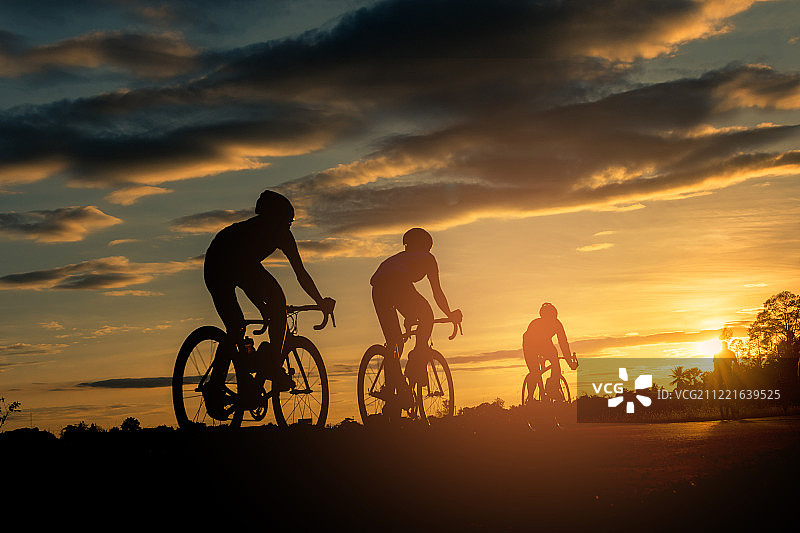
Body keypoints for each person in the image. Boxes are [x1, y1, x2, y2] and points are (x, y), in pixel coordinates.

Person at [203, 189, 335, 416]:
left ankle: (259, 369)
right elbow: (243, 273)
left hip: (236, 264)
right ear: (269, 219)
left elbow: (300, 273)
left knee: (262, 310)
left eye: (289, 224)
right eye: (286, 222)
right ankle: (218, 385)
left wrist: (319, 300)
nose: (287, 228)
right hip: (219, 264)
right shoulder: (253, 233)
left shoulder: (277, 233)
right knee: (238, 324)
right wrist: (263, 306)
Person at [370, 228, 462, 407]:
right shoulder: (428, 258)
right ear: (427, 246)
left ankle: (392, 390)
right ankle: (416, 359)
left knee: (395, 342)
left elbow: (402, 296)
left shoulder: (398, 258)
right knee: (427, 315)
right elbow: (437, 292)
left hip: (379, 290)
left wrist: (410, 315)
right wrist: (450, 314)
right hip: (398, 285)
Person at [523, 303, 577, 401]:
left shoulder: (557, 324)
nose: (551, 321)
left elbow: (563, 343)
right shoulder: (535, 324)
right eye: (549, 318)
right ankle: (530, 397)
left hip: (545, 343)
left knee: (555, 361)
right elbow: (533, 345)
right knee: (535, 372)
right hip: (529, 345)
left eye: (553, 317)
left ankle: (552, 388)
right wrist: (539, 360)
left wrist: (570, 362)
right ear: (542, 317)